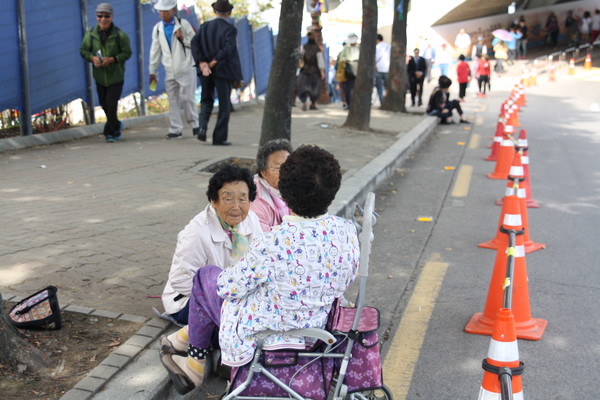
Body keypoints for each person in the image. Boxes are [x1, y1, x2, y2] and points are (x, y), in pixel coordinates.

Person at [159, 145, 360, 394]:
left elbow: (228, 287)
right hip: (318, 327)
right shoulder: (346, 231)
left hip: (267, 331)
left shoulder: (275, 241)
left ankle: (194, 364)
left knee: (206, 277)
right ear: (332, 192)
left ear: (283, 192)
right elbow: (347, 279)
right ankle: (184, 341)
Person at [161, 165, 263, 325]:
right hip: (190, 301)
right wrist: (224, 295)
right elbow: (180, 280)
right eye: (228, 199)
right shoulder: (196, 232)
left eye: (243, 199)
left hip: (234, 295)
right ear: (213, 201)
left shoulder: (252, 220)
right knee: (241, 321)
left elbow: (259, 262)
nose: (236, 207)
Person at [191, 0, 242, 145]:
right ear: (229, 12)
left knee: (206, 100)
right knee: (224, 105)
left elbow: (194, 43)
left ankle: (202, 128)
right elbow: (228, 49)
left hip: (205, 70)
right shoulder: (230, 29)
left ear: (215, 12)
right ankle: (219, 138)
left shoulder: (205, 26)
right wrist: (214, 61)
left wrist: (202, 62)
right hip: (222, 71)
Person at [80, 3, 132, 143]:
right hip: (100, 77)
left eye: (106, 16)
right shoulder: (90, 35)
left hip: (116, 76)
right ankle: (116, 124)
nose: (103, 19)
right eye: (100, 16)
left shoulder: (120, 35)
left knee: (111, 103)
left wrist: (113, 59)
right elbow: (83, 51)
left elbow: (127, 53)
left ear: (112, 17)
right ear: (96, 17)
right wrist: (92, 58)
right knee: (104, 103)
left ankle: (109, 132)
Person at [149, 0, 199, 140]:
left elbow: (196, 43)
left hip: (186, 68)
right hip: (169, 69)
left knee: (187, 98)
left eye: (165, 10)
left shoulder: (183, 24)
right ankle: (175, 129)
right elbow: (155, 50)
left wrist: (183, 37)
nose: (163, 13)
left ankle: (195, 125)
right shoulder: (158, 28)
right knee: (172, 99)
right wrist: (152, 70)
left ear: (173, 10)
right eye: (160, 11)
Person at [250, 138, 293, 231]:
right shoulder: (255, 200)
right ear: (263, 172)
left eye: (289, 166)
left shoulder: (298, 187)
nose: (286, 172)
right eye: (278, 168)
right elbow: (262, 240)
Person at [296, 31, 325, 111]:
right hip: (313, 71)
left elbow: (300, 58)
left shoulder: (304, 47)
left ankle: (306, 102)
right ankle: (311, 103)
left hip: (305, 70)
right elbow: (320, 61)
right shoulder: (316, 48)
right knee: (314, 89)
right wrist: (322, 71)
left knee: (304, 87)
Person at [337, 33, 360, 110]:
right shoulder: (346, 48)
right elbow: (341, 58)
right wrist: (345, 60)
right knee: (348, 88)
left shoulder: (360, 47)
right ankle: (349, 104)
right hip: (349, 69)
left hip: (358, 68)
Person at [374, 34, 391, 104]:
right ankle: (387, 100)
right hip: (387, 69)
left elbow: (374, 58)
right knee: (387, 87)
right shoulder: (389, 46)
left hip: (378, 69)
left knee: (379, 86)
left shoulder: (376, 47)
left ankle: (382, 101)